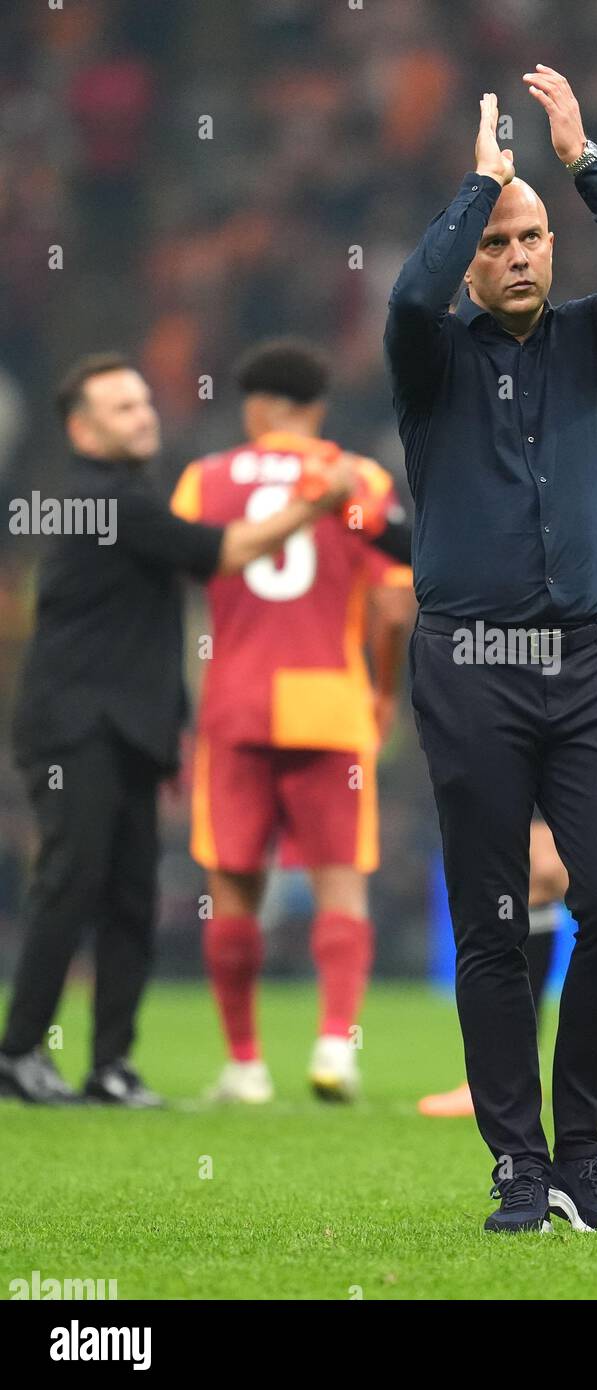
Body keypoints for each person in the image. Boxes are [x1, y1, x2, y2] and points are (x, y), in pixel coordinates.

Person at [385, 70, 597, 1232]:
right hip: (470, 665)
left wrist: (578, 162)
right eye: (499, 242)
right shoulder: (433, 358)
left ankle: (586, 1149)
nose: (520, 255)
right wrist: (477, 181)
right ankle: (518, 1164)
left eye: (534, 239)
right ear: (474, 257)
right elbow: (409, 300)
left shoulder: (589, 345)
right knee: (495, 924)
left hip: (583, 663)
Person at [0, 353, 354, 1106]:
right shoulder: (111, 502)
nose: (144, 416)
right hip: (76, 728)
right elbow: (219, 553)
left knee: (129, 893)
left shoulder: (130, 496)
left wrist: (168, 729)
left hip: (129, 728)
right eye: (123, 408)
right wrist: (315, 506)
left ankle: (110, 1066)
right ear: (81, 429)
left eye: (143, 403)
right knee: (71, 882)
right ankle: (20, 1051)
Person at [418, 389, 597, 1123]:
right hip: (507, 660)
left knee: (555, 868)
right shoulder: (480, 397)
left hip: (578, 660)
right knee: (538, 874)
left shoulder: (580, 391)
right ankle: (521, 1064)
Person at [170, 339, 414, 1103]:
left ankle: (244, 1066)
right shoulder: (359, 479)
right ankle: (335, 1048)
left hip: (234, 700)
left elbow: (181, 579)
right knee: (340, 884)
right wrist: (383, 690)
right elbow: (393, 602)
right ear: (314, 408)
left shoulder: (203, 480)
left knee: (234, 889)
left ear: (258, 406)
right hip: (330, 701)